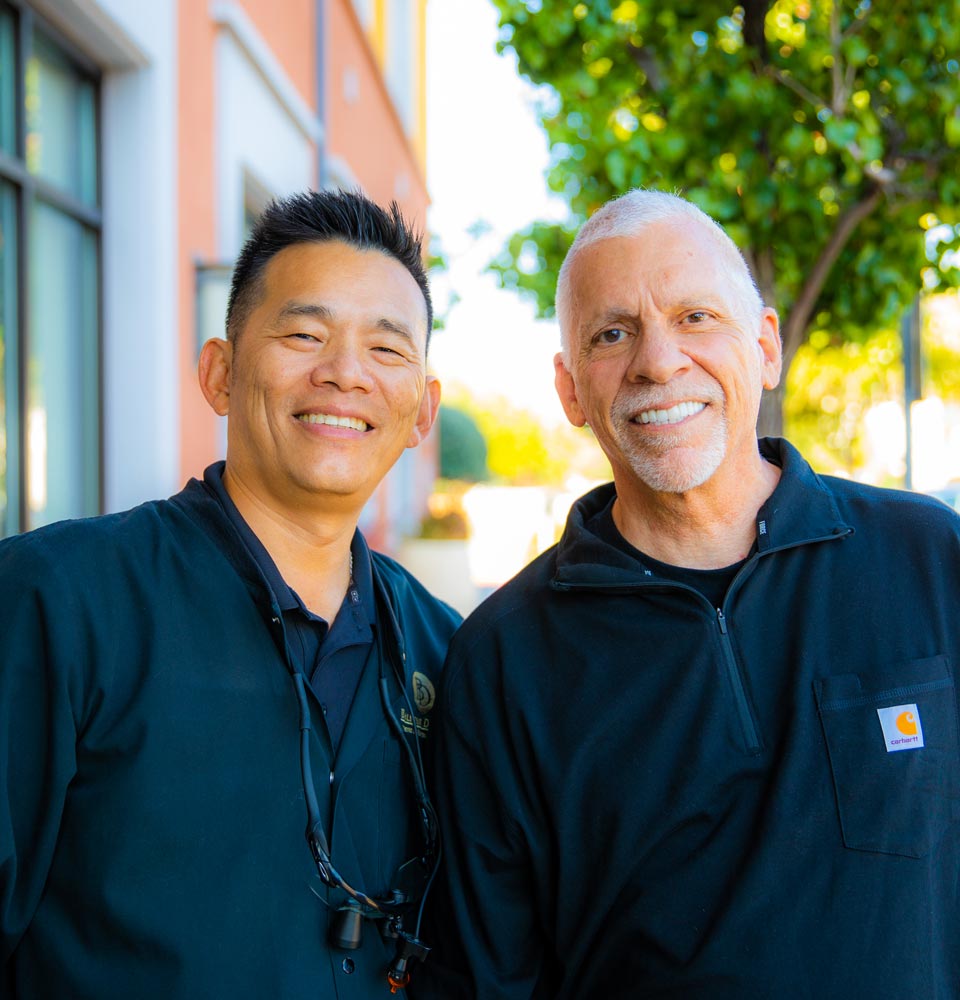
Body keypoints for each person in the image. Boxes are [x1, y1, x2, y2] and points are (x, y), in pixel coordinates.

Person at [424, 190, 960, 998]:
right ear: (571, 392)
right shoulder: (502, 659)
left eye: (696, 317)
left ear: (766, 345)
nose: (659, 361)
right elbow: (484, 979)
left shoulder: (930, 557)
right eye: (613, 333)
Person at [0, 189, 461, 999]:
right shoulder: (56, 602)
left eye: (387, 350)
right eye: (304, 334)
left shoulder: (446, 652)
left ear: (421, 412)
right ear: (219, 372)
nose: (344, 373)